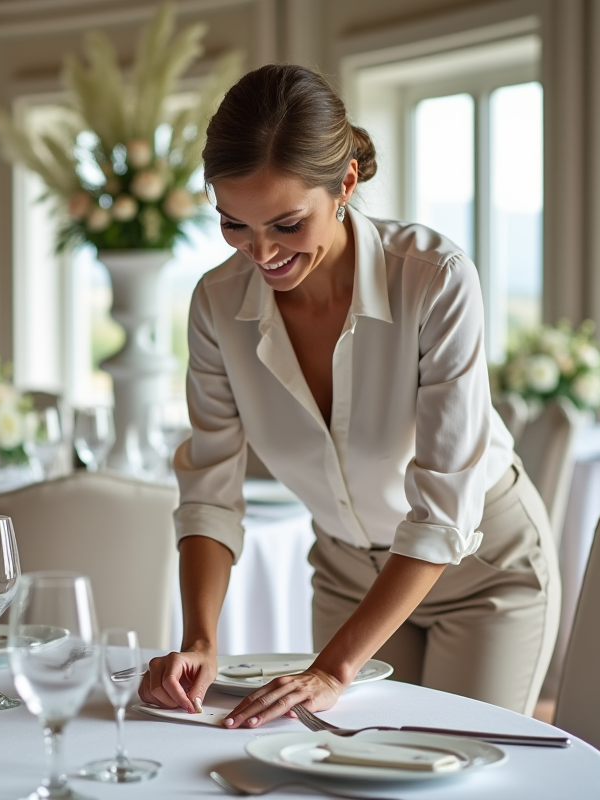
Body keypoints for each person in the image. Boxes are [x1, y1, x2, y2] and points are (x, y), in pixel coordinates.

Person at [137, 64, 560, 728]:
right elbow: (209, 490)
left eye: (285, 223)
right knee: (339, 773)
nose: (261, 252)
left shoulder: (434, 280)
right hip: (345, 574)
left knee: (449, 769)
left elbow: (444, 511)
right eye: (234, 225)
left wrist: (333, 669)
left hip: (480, 574)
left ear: (345, 185)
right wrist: (200, 639)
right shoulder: (215, 306)